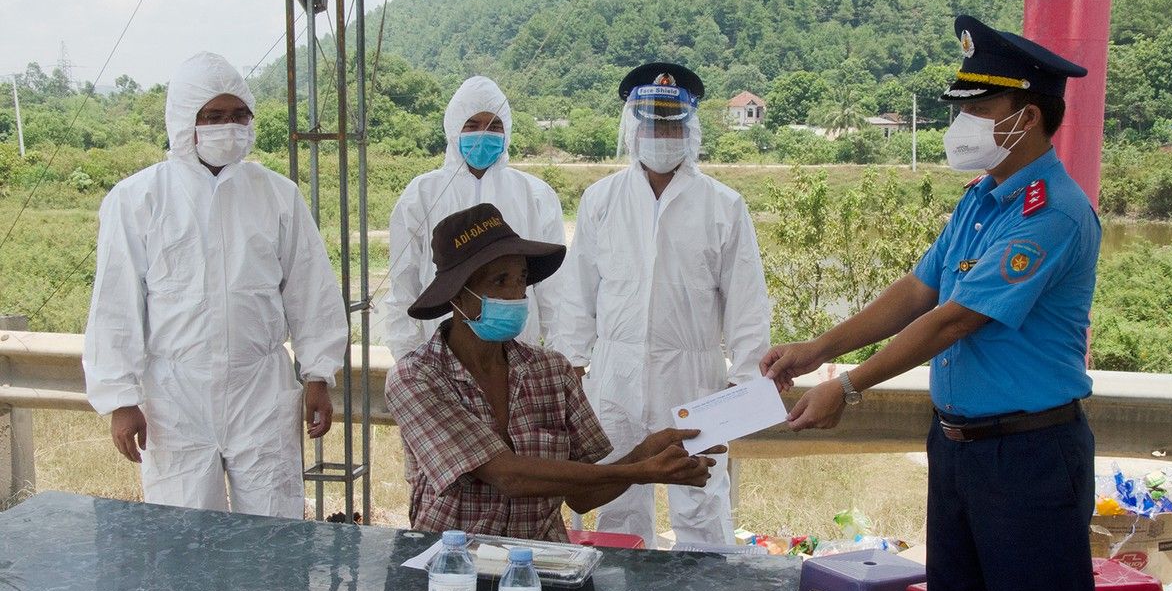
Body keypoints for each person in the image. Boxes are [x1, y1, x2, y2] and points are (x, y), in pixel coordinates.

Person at [762, 16, 1100, 591]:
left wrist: (849, 386)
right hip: (959, 451)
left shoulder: (1052, 213)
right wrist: (818, 348)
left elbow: (951, 320)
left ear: (1027, 117)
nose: (963, 122)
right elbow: (917, 292)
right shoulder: (980, 198)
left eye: (979, 108)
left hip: (1030, 458)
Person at [83, 52, 349, 518]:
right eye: (213, 116)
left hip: (260, 389)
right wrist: (121, 402)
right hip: (175, 397)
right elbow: (115, 306)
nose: (229, 127)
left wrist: (318, 375)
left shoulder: (277, 194)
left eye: (238, 115)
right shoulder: (138, 199)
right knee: (183, 537)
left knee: (271, 533)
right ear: (185, 121)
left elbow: (311, 292)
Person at [385, 203, 721, 542]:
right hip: (452, 565)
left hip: (540, 563)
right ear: (457, 294)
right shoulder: (416, 378)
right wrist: (640, 470)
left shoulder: (551, 371)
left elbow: (582, 494)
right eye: (500, 281)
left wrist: (646, 453)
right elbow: (507, 476)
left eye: (521, 281)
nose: (515, 295)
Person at [550, 63, 771, 548]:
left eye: (672, 124)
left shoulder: (722, 205)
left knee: (702, 500)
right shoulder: (600, 199)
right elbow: (578, 294)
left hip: (693, 375)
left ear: (689, 129)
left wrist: (745, 380)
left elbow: (747, 302)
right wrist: (570, 366)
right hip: (615, 372)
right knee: (618, 498)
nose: (661, 134)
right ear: (634, 127)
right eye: (651, 122)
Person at [384, 76, 565, 362]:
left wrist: (560, 355)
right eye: (472, 125)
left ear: (508, 132)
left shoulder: (536, 194)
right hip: (443, 356)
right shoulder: (422, 193)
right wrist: (409, 358)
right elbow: (403, 284)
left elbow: (555, 289)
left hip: (519, 351)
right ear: (454, 129)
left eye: (494, 126)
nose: (483, 134)